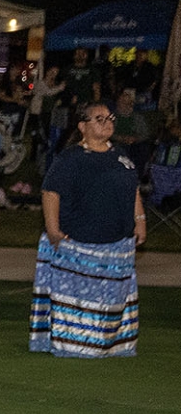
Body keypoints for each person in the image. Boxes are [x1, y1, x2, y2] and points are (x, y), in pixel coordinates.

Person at [32, 103, 145, 358]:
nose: (107, 122)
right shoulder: (71, 158)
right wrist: (52, 230)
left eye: (109, 118)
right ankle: (77, 343)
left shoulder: (121, 155)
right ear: (82, 126)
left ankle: (110, 342)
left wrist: (140, 220)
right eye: (99, 118)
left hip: (117, 243)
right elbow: (51, 193)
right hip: (80, 241)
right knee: (79, 298)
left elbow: (134, 190)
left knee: (113, 295)